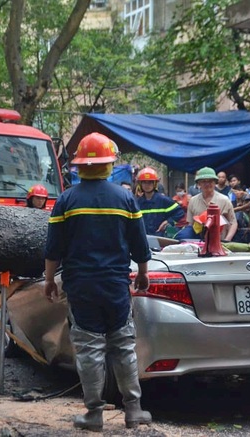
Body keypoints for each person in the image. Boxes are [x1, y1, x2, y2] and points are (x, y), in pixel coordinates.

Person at [43, 132, 152, 432]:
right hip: (116, 286)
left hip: (81, 286)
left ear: (80, 166)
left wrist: (49, 279)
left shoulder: (66, 200)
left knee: (89, 349)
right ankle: (134, 410)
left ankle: (94, 414)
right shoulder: (125, 197)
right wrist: (142, 272)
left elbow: (53, 248)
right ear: (109, 164)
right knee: (123, 345)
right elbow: (140, 244)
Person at [176, 167, 237, 241]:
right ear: (199, 184)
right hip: (198, 243)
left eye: (210, 181)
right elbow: (191, 225)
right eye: (204, 181)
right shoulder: (193, 201)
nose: (207, 184)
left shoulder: (224, 200)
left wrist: (227, 240)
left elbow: (233, 223)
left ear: (215, 183)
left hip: (219, 243)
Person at [135, 167, 184, 236]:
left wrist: (168, 221)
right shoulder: (137, 203)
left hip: (160, 237)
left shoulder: (164, 200)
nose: (147, 185)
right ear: (140, 184)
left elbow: (180, 212)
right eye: (144, 182)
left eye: (150, 182)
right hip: (143, 238)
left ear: (155, 183)